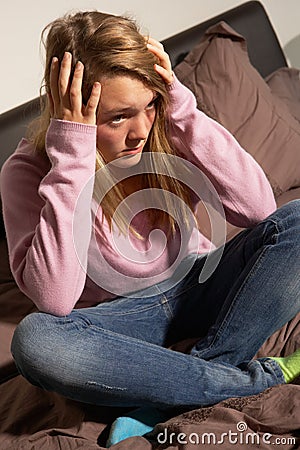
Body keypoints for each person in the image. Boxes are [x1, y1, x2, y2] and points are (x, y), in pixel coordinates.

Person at [1, 10, 299, 446]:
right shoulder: (27, 170)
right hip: (117, 321)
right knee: (34, 342)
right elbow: (55, 297)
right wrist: (72, 156)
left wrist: (181, 108)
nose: (140, 131)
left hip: (198, 284)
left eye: (150, 105)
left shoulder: (170, 127)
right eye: (118, 117)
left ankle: (184, 388)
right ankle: (245, 381)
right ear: (71, 109)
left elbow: (259, 211)